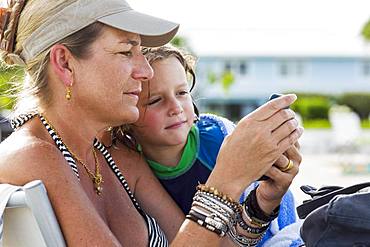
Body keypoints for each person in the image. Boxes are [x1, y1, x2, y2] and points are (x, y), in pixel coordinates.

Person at [0, 0, 303, 246]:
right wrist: (226, 178)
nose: (145, 71)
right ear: (65, 63)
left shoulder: (114, 153)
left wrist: (262, 201)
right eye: (125, 51)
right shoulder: (34, 158)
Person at [112, 45, 304, 246]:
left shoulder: (217, 139)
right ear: (127, 117)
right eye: (155, 101)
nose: (176, 108)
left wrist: (267, 193)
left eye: (182, 93)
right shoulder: (132, 167)